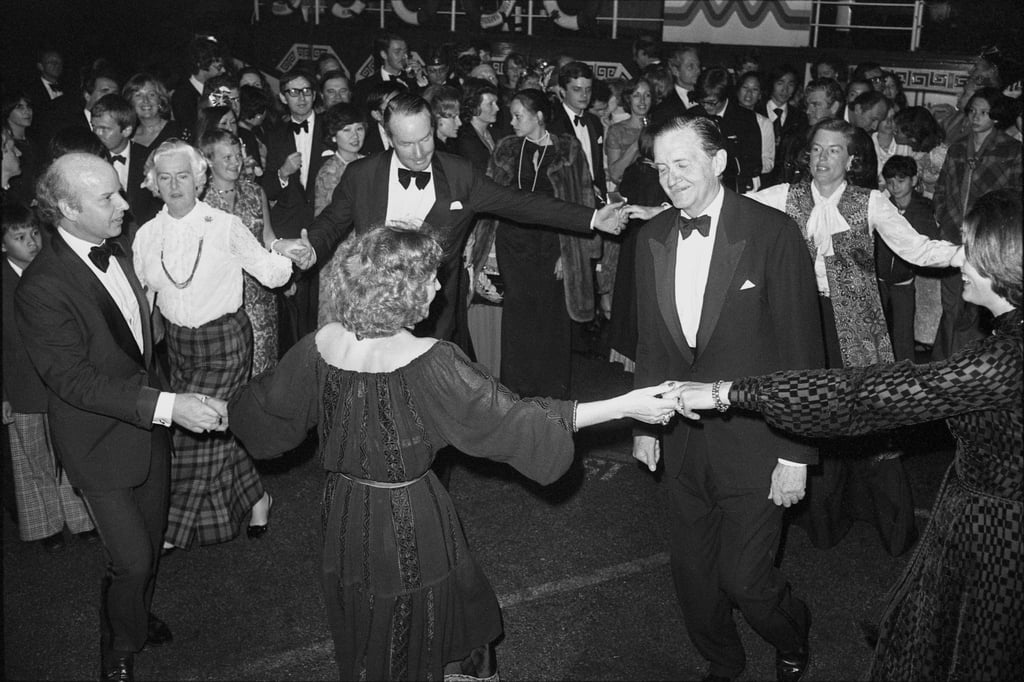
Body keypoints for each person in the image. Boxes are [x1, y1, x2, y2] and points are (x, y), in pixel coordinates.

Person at [227, 222, 682, 680]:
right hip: (407, 521)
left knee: (367, 621)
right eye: (429, 278)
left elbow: (264, 413)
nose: (439, 287)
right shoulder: (431, 359)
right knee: (423, 628)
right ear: (402, 290)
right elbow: (515, 421)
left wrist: (212, 407)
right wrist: (625, 405)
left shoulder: (323, 341)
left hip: (343, 513)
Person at [672, 188, 1022, 682]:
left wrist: (731, 392)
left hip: (996, 535)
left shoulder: (1002, 361)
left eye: (971, 249)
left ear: (1003, 262)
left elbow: (862, 397)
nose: (960, 260)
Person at [628, 115, 825, 682]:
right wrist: (643, 424)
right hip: (683, 440)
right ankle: (722, 658)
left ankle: (791, 633)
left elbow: (802, 352)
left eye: (682, 163)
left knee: (746, 579)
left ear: (717, 162)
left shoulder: (772, 232)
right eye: (661, 167)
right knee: (693, 577)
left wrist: (796, 454)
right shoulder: (651, 237)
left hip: (758, 442)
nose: (670, 178)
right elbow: (652, 343)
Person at [16, 153, 224, 681]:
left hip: (147, 430)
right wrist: (169, 407)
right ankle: (117, 650)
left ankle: (135, 614)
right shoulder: (41, 286)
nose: (125, 204)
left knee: (149, 546)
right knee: (130, 559)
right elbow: (74, 381)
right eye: (108, 197)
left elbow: (137, 348)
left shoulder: (120, 247)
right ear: (68, 209)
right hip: (97, 443)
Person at [746, 119, 963, 557]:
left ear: (851, 160)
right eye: (816, 149)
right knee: (812, 414)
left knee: (872, 420)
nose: (822, 158)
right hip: (803, 321)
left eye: (833, 150)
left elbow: (918, 249)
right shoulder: (785, 195)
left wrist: (973, 255)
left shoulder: (872, 202)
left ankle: (892, 527)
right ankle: (823, 521)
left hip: (860, 326)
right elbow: (728, 207)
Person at [272, 93, 626, 352]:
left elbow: (521, 204)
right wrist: (311, 246)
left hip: (436, 310)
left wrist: (593, 217)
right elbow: (332, 221)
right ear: (389, 138)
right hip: (375, 309)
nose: (418, 153)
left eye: (425, 139)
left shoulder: (460, 175)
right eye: (406, 144)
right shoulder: (362, 175)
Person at [133, 140, 292, 552]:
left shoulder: (225, 226)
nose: (174, 185)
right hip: (180, 346)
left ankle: (170, 527)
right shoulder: (147, 235)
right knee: (217, 425)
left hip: (226, 341)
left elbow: (271, 274)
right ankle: (257, 498)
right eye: (164, 177)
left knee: (194, 425)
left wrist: (288, 252)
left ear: (199, 179)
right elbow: (143, 297)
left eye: (183, 176)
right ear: (153, 183)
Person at [472, 89, 599, 399]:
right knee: (518, 319)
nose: (512, 122)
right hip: (513, 245)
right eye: (512, 116)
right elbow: (488, 197)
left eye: (518, 116)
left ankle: (551, 394)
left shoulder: (568, 150)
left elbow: (582, 202)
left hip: (553, 245)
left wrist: (569, 253)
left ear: (539, 116)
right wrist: (484, 247)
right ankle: (516, 392)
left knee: (552, 319)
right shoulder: (506, 149)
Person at [3, 203, 96, 552]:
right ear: (2, 244)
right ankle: (45, 524)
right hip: (21, 385)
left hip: (60, 379)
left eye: (34, 234)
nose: (31, 243)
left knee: (70, 450)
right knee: (33, 457)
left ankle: (81, 518)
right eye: (19, 237)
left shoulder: (52, 270)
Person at [932, 87, 1022, 361]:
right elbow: (941, 189)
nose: (975, 117)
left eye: (983, 112)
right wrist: (944, 217)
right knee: (951, 304)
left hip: (989, 239)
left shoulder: (1012, 149)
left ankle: (977, 365)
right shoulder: (958, 147)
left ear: (996, 116)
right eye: (972, 111)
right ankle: (945, 363)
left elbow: (1016, 196)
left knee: (980, 308)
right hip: (953, 234)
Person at [198, 130, 280, 377]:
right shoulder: (199, 200)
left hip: (259, 299)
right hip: (216, 302)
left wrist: (286, 253)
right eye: (227, 157)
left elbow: (268, 238)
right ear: (208, 160)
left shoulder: (255, 192)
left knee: (262, 370)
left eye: (238, 156)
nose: (236, 163)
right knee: (224, 372)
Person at [262, 68, 329, 352]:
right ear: (282, 97)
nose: (301, 98)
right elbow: (266, 189)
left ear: (315, 95)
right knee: (294, 310)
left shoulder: (330, 127)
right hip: (289, 228)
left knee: (323, 305)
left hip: (326, 224)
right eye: (293, 92)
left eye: (306, 91)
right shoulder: (275, 134)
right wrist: (282, 172)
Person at [877, 155, 939, 362]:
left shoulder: (923, 209)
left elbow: (929, 242)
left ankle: (906, 372)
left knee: (903, 332)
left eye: (900, 181)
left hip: (904, 280)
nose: (894, 187)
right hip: (879, 278)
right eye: (890, 182)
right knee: (877, 329)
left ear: (913, 180)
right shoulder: (882, 206)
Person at [313, 103, 365, 327]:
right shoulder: (330, 171)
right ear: (334, 136)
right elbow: (326, 222)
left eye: (359, 128)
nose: (355, 136)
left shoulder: (369, 163)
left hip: (367, 253)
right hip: (339, 257)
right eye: (347, 130)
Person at [90, 94, 162, 230]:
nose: (97, 133)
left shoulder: (149, 159)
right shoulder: (90, 160)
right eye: (94, 126)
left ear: (126, 131)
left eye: (104, 129)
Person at [695, 67, 762, 193]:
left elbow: (753, 161)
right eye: (703, 102)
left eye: (712, 102)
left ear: (725, 97)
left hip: (736, 188)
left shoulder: (745, 118)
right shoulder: (692, 117)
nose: (706, 107)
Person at [549, 61, 606, 202]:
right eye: (577, 89)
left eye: (588, 89)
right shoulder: (552, 124)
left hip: (595, 198)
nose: (584, 95)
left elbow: (598, 168)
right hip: (566, 198)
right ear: (562, 91)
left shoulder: (594, 122)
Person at [170, 37, 226, 140]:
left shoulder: (221, 89)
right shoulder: (182, 96)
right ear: (200, 64)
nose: (223, 70)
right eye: (218, 67)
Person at [605, 78, 652, 188]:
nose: (642, 101)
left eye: (647, 95)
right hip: (628, 192)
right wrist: (636, 145)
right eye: (636, 95)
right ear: (628, 99)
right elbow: (615, 175)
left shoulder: (660, 128)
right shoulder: (617, 131)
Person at [733, 71, 775, 189]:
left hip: (751, 184)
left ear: (760, 95)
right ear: (738, 90)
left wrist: (747, 167)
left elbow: (768, 162)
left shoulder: (764, 123)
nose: (749, 93)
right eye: (745, 87)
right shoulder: (725, 117)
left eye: (755, 89)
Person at [122, 73, 182, 150]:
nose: (145, 100)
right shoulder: (126, 138)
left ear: (160, 100)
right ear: (130, 102)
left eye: (151, 94)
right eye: (138, 95)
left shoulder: (179, 132)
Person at [457, 78, 500, 172]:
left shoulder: (496, 132)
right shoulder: (465, 139)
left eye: (496, 103)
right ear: (474, 107)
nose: (497, 108)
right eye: (490, 104)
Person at [427, 86, 462, 155]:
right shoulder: (432, 152)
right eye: (453, 117)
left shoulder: (454, 144)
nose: (460, 123)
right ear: (436, 116)